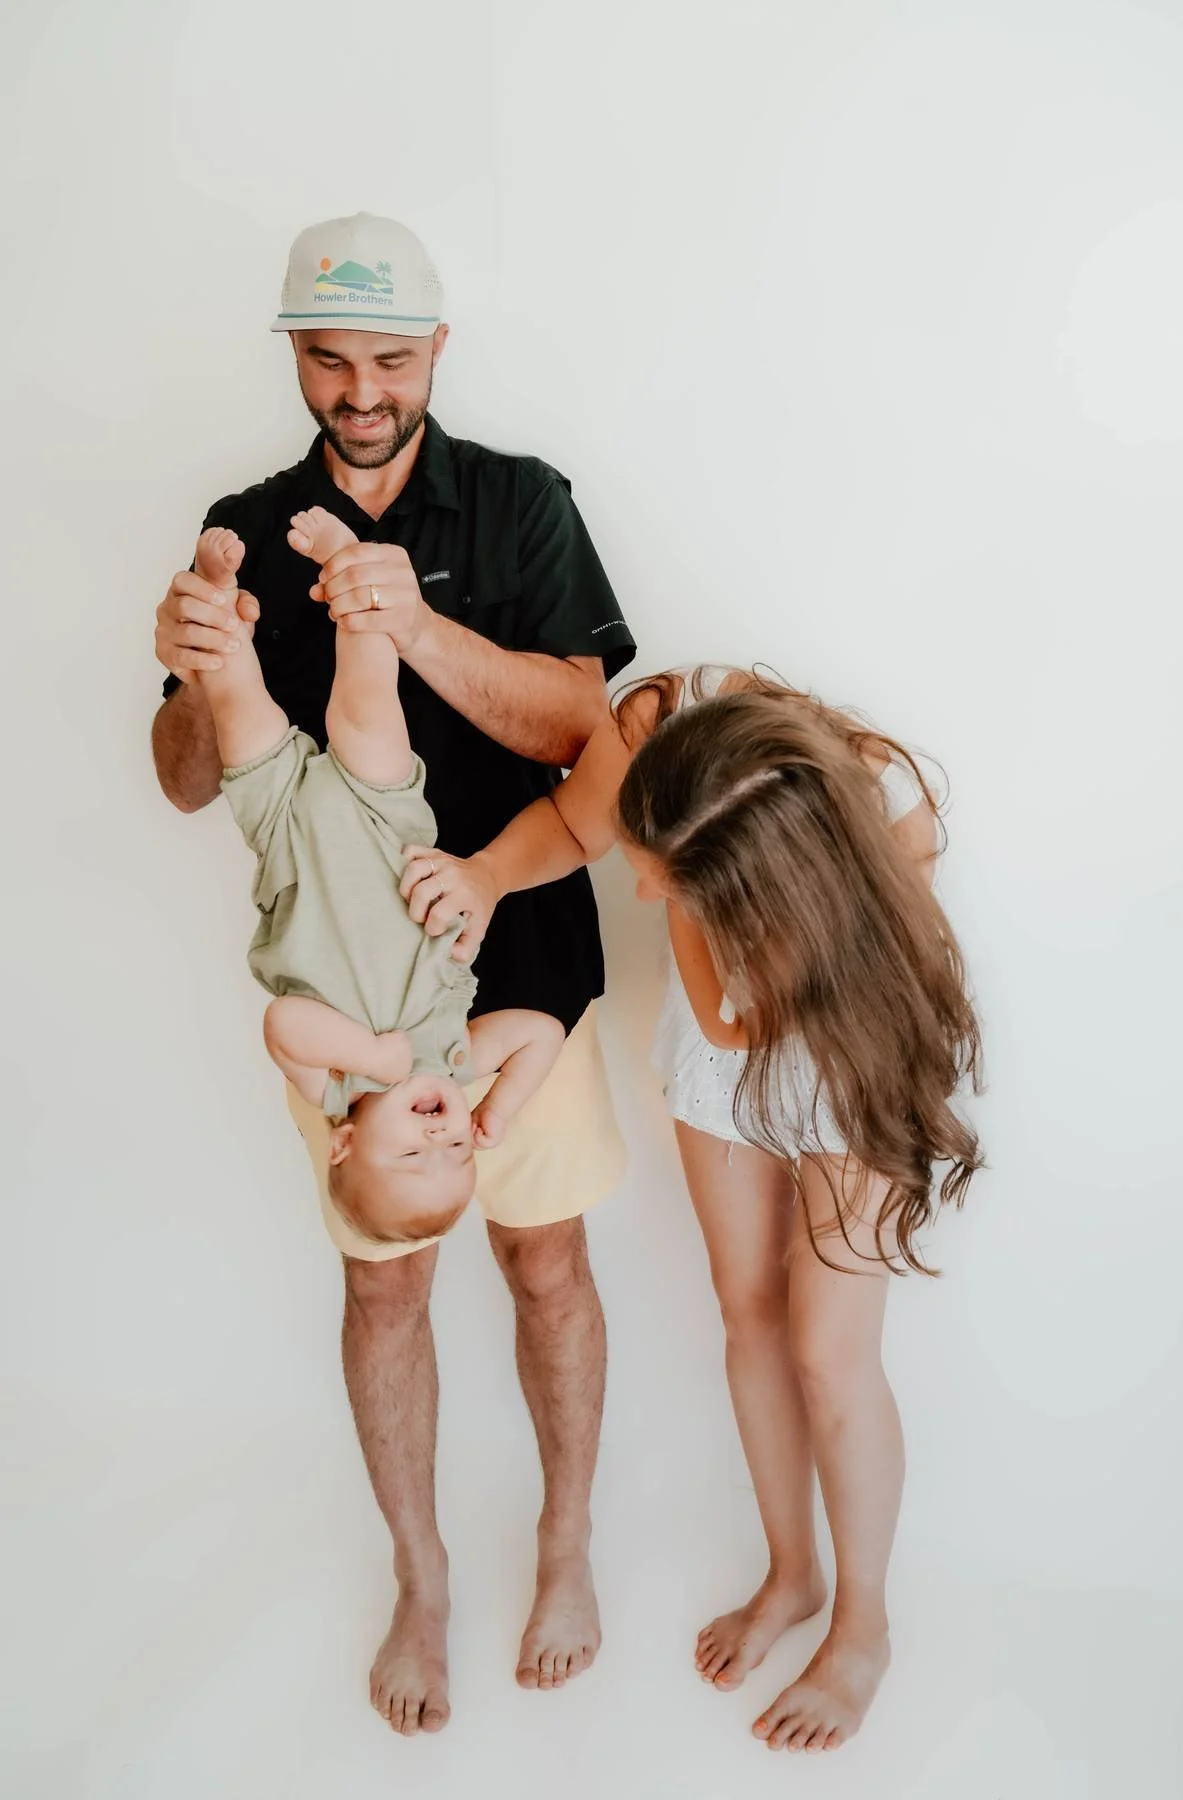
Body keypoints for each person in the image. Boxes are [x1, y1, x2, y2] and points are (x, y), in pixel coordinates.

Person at [150, 213, 635, 1734]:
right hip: (351, 991)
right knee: (384, 1291)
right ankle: (422, 1575)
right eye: (328, 357)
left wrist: (411, 624)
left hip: (516, 967)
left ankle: (564, 1539)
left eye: (388, 358)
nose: (359, 390)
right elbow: (183, 774)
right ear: (293, 352)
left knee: (546, 1261)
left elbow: (583, 732)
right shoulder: (243, 510)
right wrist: (186, 659)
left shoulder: (520, 505)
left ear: (438, 350)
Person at [401, 664, 984, 1757]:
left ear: (770, 877)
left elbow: (760, 1016)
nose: (648, 895)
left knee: (831, 1352)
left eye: (669, 881)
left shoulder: (892, 822)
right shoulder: (665, 722)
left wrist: (715, 922)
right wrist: (488, 877)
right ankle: (792, 1573)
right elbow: (709, 1012)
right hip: (731, 1039)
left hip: (854, 1039)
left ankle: (865, 1624)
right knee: (747, 1309)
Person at [195, 505, 565, 1246]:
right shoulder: (455, 1059)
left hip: (286, 837)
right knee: (367, 691)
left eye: (408, 1155)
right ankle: (350, 565)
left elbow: (283, 1023)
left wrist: (372, 1058)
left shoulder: (336, 1085)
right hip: (382, 821)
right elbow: (540, 1031)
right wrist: (500, 1109)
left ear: (344, 1144)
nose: (437, 1138)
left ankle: (214, 598)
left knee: (234, 693)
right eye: (458, 1148)